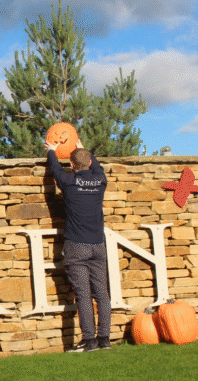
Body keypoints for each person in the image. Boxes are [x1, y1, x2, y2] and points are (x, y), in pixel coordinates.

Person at [44, 138, 112, 352]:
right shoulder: (100, 180)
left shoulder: (69, 182)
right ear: (90, 163)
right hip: (98, 245)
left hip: (77, 247)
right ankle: (105, 340)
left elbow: (55, 169)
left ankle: (89, 341)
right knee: (102, 293)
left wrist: (52, 151)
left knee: (83, 294)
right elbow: (98, 167)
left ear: (72, 165)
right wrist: (82, 148)